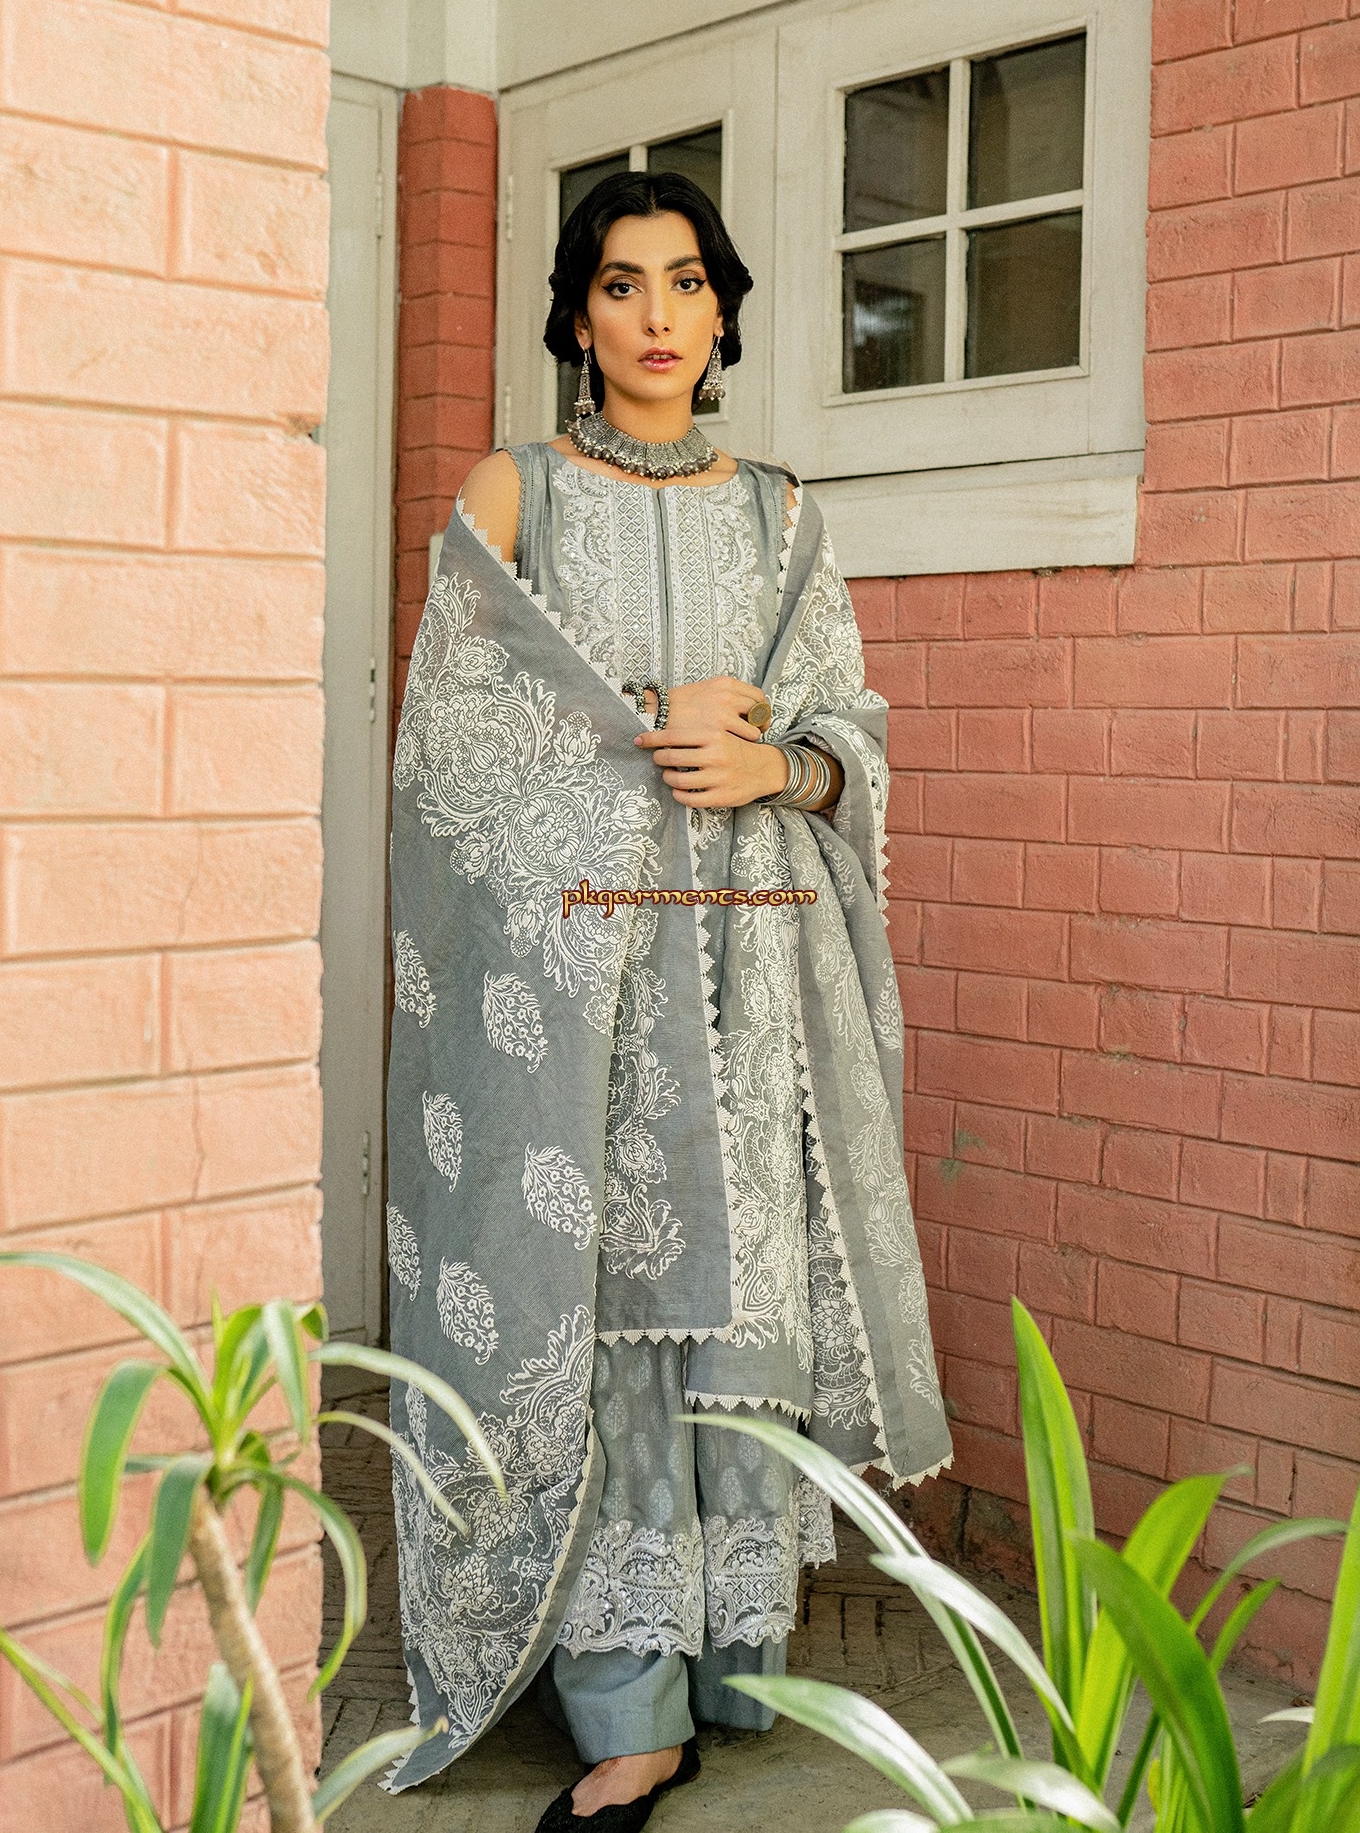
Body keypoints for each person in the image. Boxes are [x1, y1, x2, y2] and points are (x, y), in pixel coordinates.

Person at [380, 171, 952, 1829]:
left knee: (731, 1311)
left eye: (685, 283)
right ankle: (623, 1701)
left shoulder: (783, 516)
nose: (654, 315)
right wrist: (649, 721)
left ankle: (723, 1664)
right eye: (620, 284)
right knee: (612, 1310)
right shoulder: (516, 493)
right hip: (588, 992)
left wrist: (777, 764)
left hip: (755, 980)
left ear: (721, 314)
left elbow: (851, 727)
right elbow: (454, 749)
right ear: (576, 314)